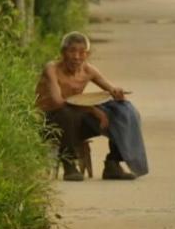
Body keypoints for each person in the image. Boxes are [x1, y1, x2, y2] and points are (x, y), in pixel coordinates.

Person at [36, 31, 146, 181]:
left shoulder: (88, 70)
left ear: (87, 55)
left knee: (122, 111)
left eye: (82, 52)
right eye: (72, 51)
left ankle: (113, 163)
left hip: (76, 122)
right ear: (63, 53)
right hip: (49, 122)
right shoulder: (52, 69)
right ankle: (69, 163)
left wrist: (117, 93)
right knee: (67, 112)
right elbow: (58, 102)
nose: (76, 57)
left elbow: (110, 89)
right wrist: (93, 111)